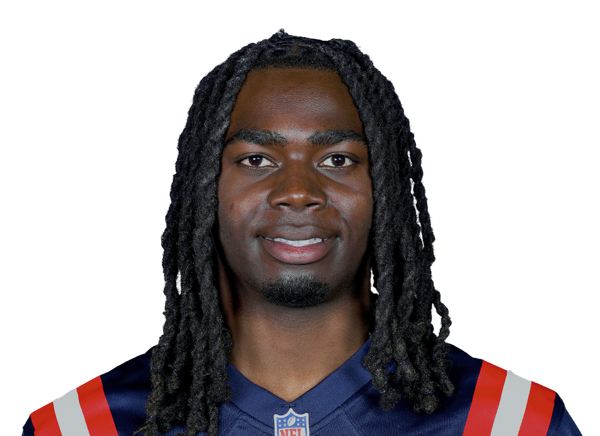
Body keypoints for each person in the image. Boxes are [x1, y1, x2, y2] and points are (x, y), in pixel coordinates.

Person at [22, 29, 581, 436]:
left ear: (386, 191)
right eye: (256, 159)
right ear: (203, 190)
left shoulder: (510, 421)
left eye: (338, 160)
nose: (296, 191)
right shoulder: (83, 427)